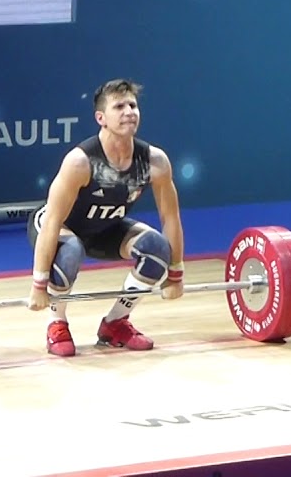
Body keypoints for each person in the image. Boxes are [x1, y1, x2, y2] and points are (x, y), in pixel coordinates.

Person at [26, 78, 186, 357]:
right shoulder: (80, 162)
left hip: (104, 229)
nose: (129, 112)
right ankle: (57, 323)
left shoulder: (154, 161)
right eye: (119, 106)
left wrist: (175, 274)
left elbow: (170, 219)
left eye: (133, 105)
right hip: (59, 228)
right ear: (101, 118)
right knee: (71, 252)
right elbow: (51, 222)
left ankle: (115, 323)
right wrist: (39, 285)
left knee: (157, 249)